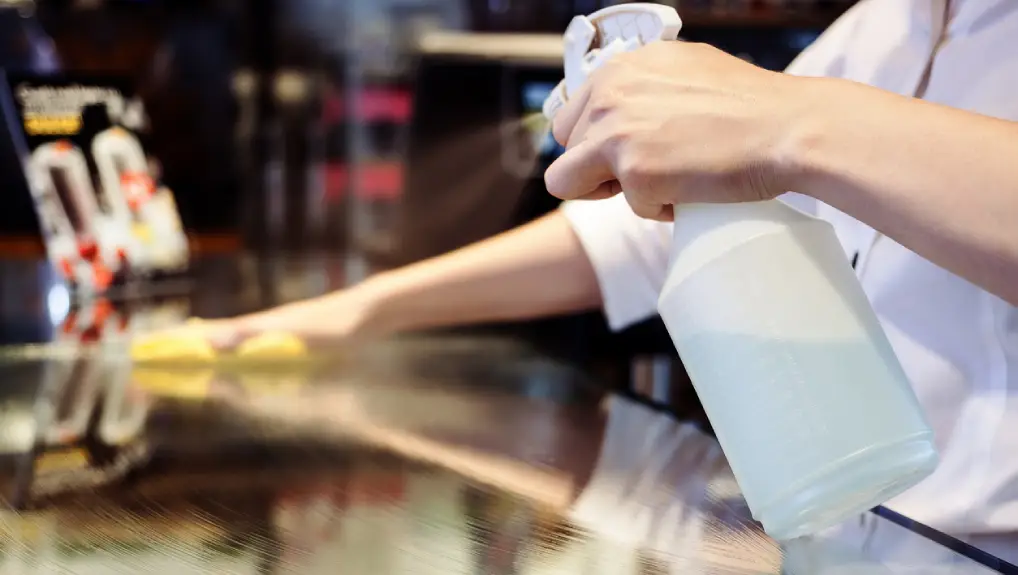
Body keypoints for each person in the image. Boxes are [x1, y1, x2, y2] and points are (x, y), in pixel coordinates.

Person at [170, 0, 1018, 555]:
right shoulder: (884, 26)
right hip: (857, 531)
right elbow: (644, 238)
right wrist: (360, 311)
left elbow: (784, 135)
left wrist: (794, 120)